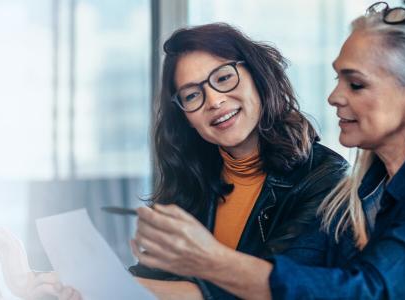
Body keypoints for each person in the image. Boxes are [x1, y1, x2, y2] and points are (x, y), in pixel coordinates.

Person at [133, 2, 405, 299]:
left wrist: (208, 259)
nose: (334, 96)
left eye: (355, 84)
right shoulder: (363, 190)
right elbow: (299, 283)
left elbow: (367, 293)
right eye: (338, 79)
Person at [130, 23, 348, 299]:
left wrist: (116, 288)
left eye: (223, 78)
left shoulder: (326, 178)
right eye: (192, 95)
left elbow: (271, 289)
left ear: (257, 75)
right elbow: (153, 275)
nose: (214, 101)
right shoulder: (191, 176)